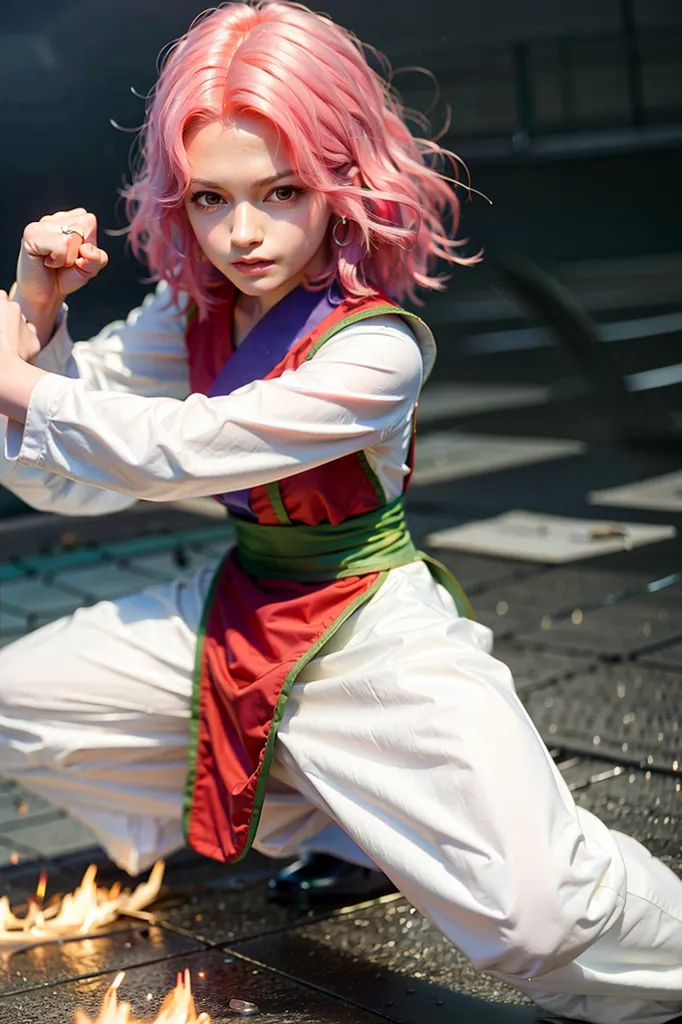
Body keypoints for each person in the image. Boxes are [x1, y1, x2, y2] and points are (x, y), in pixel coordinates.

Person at [0, 3, 680, 1022]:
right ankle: (337, 826)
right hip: (238, 604)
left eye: (282, 192)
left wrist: (15, 373)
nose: (240, 233)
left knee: (542, 914)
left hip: (368, 620)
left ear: (343, 178)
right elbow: (70, 468)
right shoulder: (195, 311)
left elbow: (170, 449)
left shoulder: (377, 347)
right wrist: (37, 310)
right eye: (208, 198)